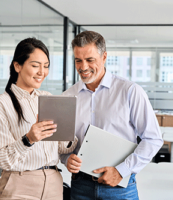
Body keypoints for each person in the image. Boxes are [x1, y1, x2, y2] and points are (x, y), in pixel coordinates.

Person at [60, 31, 163, 200]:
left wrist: (121, 170)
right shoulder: (68, 97)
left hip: (120, 186)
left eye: (90, 60)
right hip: (80, 186)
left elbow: (153, 139)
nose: (83, 67)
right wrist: (66, 158)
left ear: (104, 56)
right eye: (78, 60)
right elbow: (62, 144)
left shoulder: (129, 91)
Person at [0, 38, 78, 200]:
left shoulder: (47, 98)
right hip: (20, 184)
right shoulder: (2, 103)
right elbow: (0, 159)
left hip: (53, 183)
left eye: (46, 66)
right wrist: (28, 139)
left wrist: (68, 133)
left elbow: (62, 147)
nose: (41, 72)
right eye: (35, 65)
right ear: (17, 66)